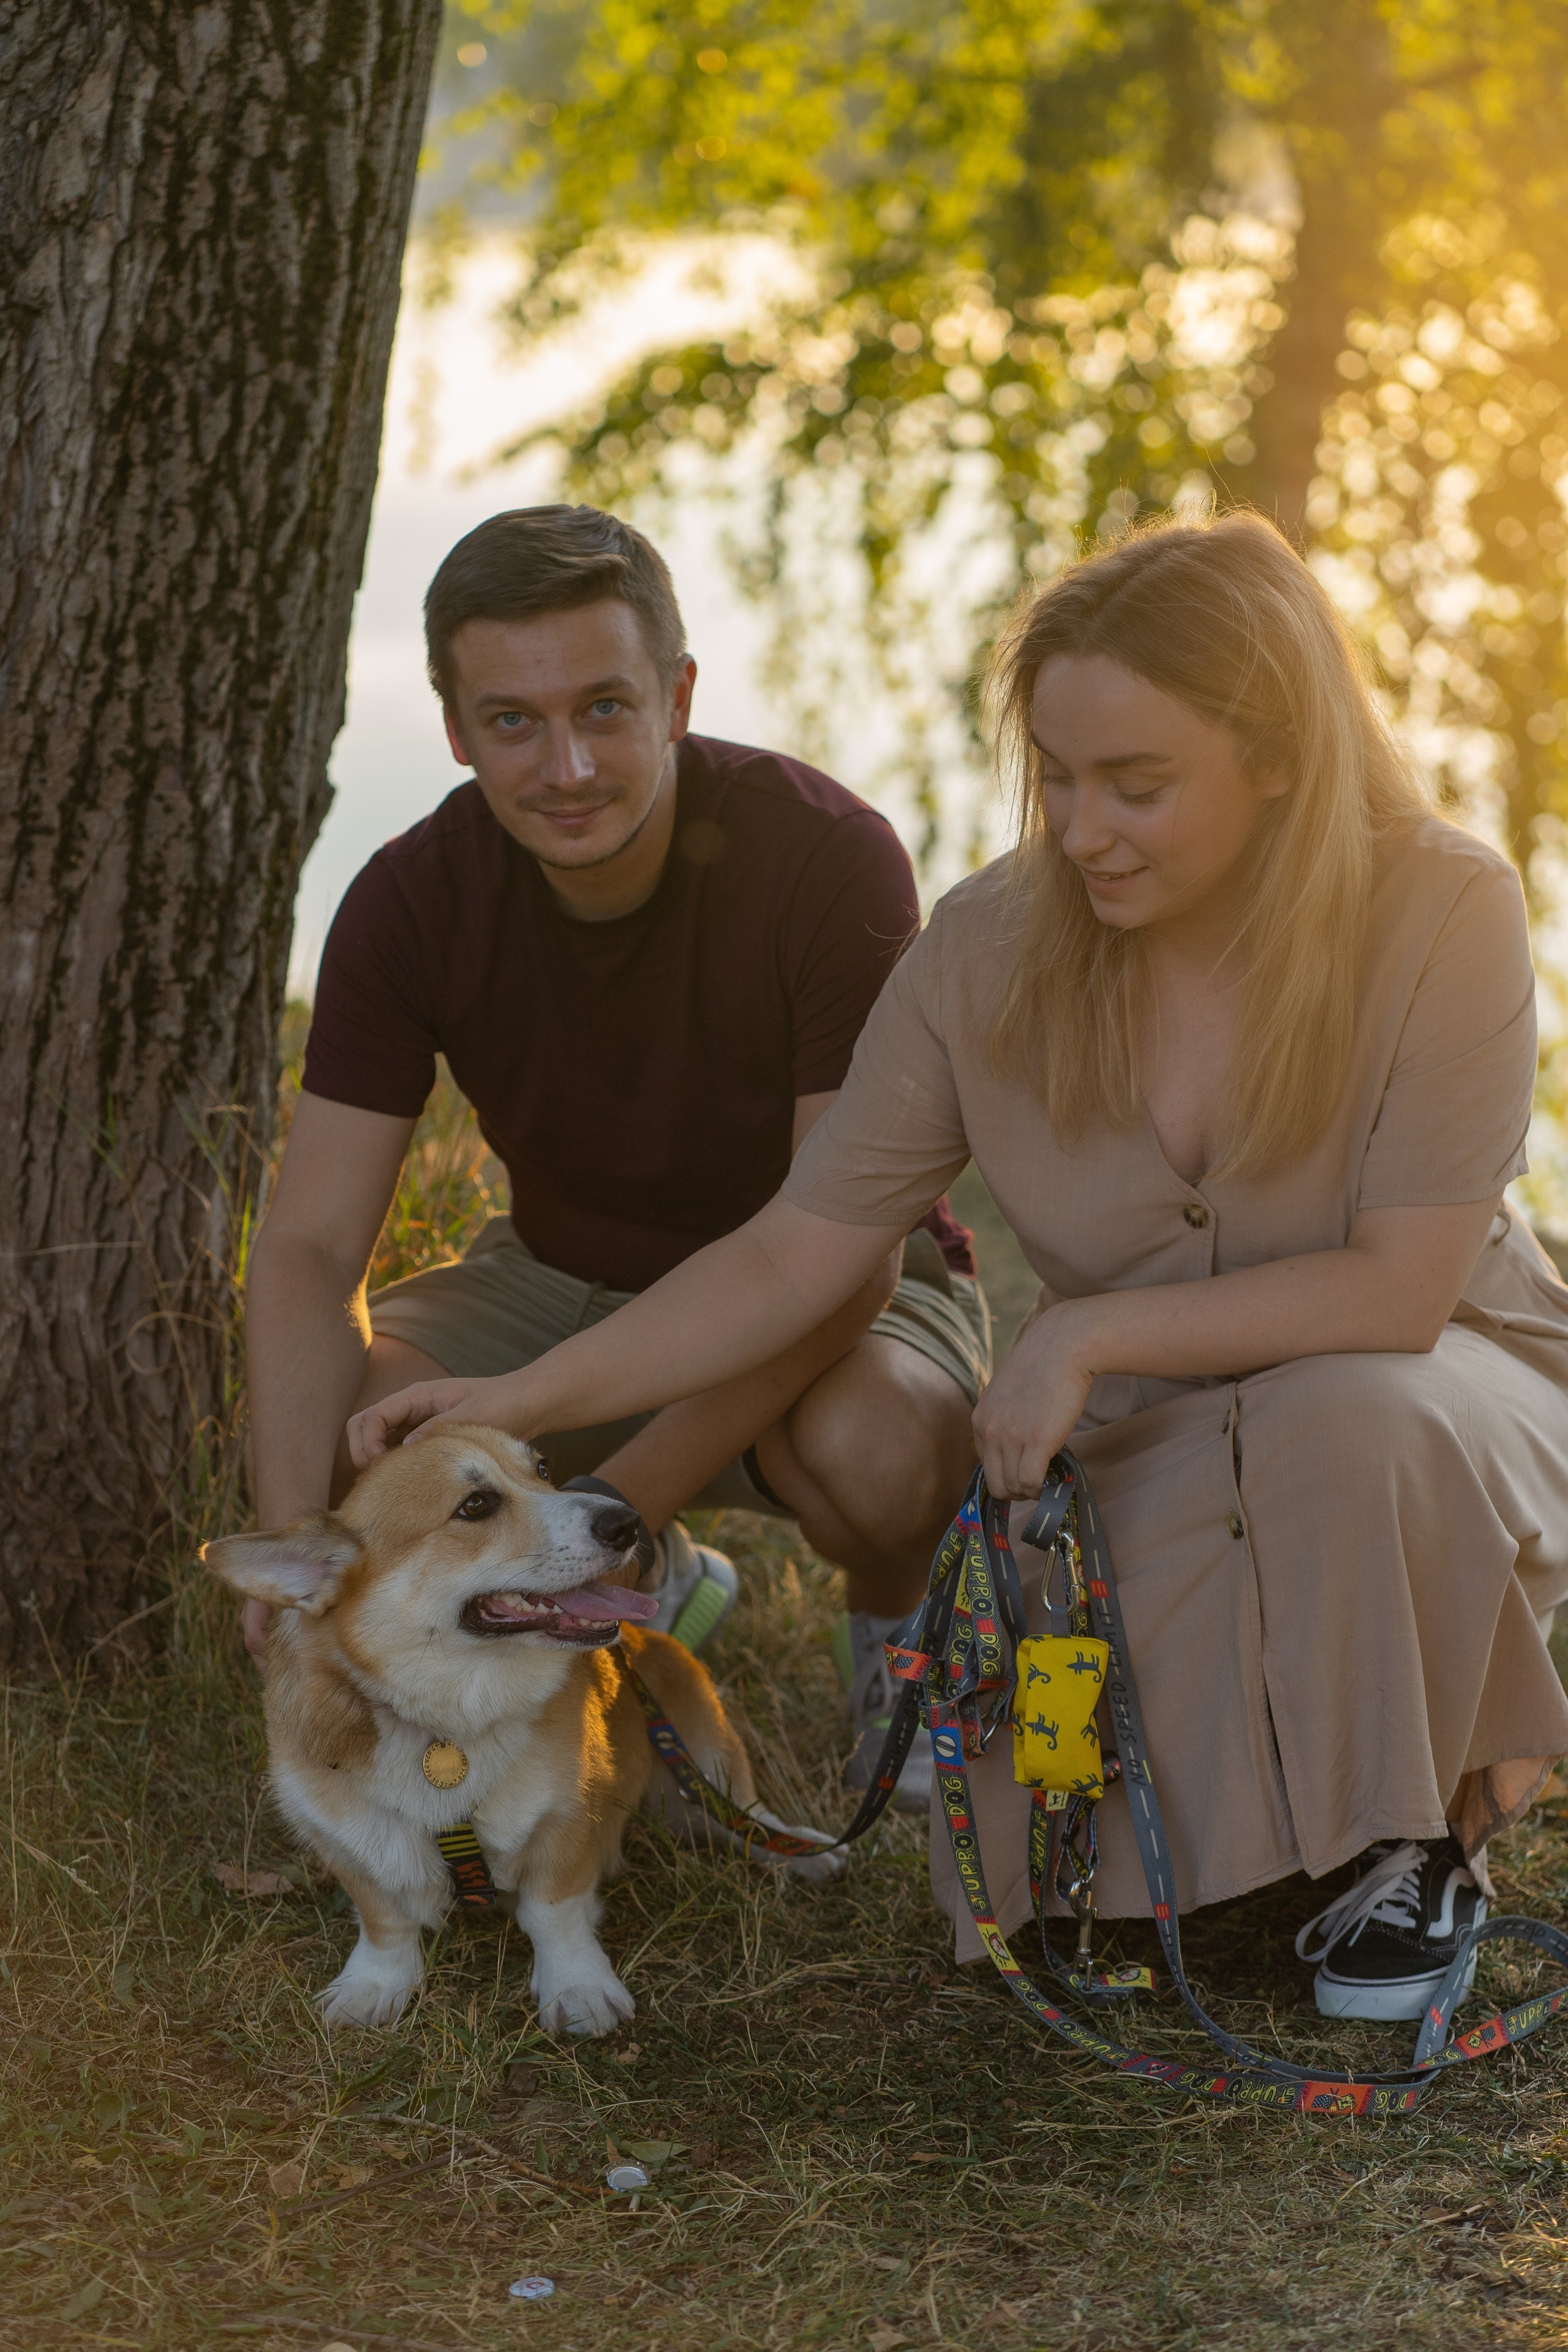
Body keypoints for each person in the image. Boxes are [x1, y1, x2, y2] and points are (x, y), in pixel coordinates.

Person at [348, 510, 1568, 2024]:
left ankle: (1398, 1848)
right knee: (1038, 1759)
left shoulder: (1441, 906)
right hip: (1156, 1422)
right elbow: (798, 1250)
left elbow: (1397, 1289)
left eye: (1136, 786)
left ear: (1275, 759)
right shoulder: (986, 948)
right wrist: (522, 1389)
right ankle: (1149, 1864)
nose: (1079, 828)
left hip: (1437, 1384)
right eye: (1055, 778)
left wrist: (1079, 1337)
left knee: (1350, 1421)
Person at [244, 505, 990, 1808]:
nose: (567, 765)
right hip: (557, 1275)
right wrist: (299, 1536)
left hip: (833, 1288)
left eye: (603, 707)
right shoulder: (411, 898)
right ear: (458, 728)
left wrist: (608, 1515)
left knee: (883, 1455)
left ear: (677, 694)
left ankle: (895, 1633)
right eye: (514, 722)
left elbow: (840, 1257)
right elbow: (312, 1248)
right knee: (372, 1430)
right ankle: (626, 1606)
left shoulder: (827, 859)